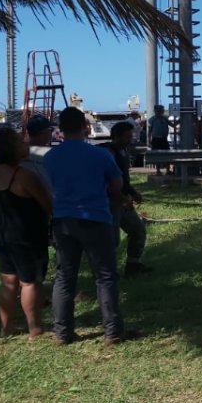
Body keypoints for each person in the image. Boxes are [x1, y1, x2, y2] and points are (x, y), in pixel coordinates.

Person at [44, 107, 132, 345]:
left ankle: (62, 333)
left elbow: (49, 187)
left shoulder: (50, 157)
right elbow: (116, 185)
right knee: (105, 276)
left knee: (64, 276)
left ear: (60, 129)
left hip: (63, 220)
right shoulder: (100, 155)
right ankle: (112, 331)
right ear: (84, 126)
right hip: (95, 219)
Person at [0, 126, 53, 339]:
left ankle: (6, 327)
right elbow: (48, 205)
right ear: (12, 149)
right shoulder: (23, 176)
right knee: (30, 281)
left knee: (8, 280)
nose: (26, 145)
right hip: (24, 234)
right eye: (21, 143)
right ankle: (35, 328)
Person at [98, 122, 152, 277]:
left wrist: (132, 192)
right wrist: (122, 199)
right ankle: (106, 272)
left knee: (138, 229)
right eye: (127, 136)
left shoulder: (124, 151)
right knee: (111, 240)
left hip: (123, 200)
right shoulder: (107, 152)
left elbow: (123, 178)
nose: (131, 139)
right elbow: (107, 182)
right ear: (116, 136)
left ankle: (133, 265)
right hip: (110, 202)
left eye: (132, 135)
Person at [21, 114, 54, 189]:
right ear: (43, 132)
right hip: (46, 197)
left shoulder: (18, 152)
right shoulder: (51, 154)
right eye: (50, 130)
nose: (51, 133)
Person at [147, 105, 171, 175]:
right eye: (158, 110)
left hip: (164, 139)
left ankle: (168, 170)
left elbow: (173, 125)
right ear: (155, 111)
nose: (160, 112)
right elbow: (149, 131)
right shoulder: (152, 119)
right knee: (156, 155)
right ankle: (158, 170)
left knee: (167, 154)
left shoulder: (165, 118)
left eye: (161, 110)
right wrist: (149, 139)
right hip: (156, 139)